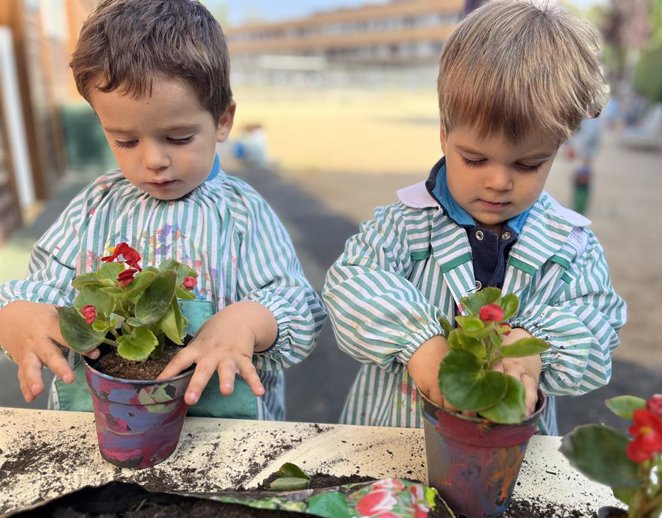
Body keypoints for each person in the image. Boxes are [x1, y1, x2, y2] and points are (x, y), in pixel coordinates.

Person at [0, 0, 325, 421]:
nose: (153, 160)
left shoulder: (242, 213)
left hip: (226, 434)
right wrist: (16, 312)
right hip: (107, 425)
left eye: (178, 137)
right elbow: (47, 287)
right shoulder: (96, 205)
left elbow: (298, 305)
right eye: (126, 141)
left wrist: (248, 321)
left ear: (222, 120)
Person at [323, 1, 626, 435]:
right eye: (475, 158)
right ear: (445, 135)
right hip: (394, 437)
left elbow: (598, 324)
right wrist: (421, 343)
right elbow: (352, 282)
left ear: (556, 151)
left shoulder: (570, 245)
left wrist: (532, 349)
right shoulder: (405, 225)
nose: (499, 182)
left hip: (511, 456)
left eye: (528, 165)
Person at [564, 116, 603, 215]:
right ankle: (579, 206)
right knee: (580, 180)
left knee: (582, 180)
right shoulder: (591, 120)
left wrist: (574, 148)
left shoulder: (590, 121)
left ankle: (580, 208)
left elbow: (588, 136)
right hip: (585, 156)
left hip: (584, 156)